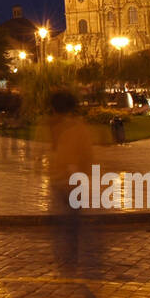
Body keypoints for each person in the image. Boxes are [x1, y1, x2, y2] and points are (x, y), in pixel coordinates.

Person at [49, 89, 93, 267]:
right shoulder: (77, 127)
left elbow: (70, 159)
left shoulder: (67, 129)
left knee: (69, 220)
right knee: (71, 219)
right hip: (69, 182)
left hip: (67, 182)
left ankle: (68, 256)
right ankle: (69, 254)